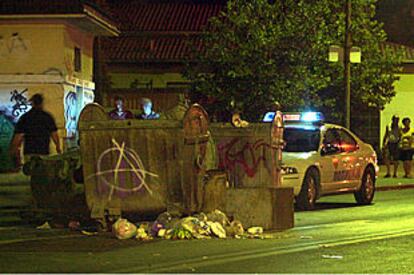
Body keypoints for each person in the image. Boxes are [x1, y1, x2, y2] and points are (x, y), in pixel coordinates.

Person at [10, 93, 61, 163]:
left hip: (29, 152)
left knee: (31, 171)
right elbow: (54, 134)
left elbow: (18, 136)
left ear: (32, 103)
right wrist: (58, 147)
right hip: (44, 151)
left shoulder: (25, 117)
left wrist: (15, 149)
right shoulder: (47, 117)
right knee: (43, 172)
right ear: (42, 103)